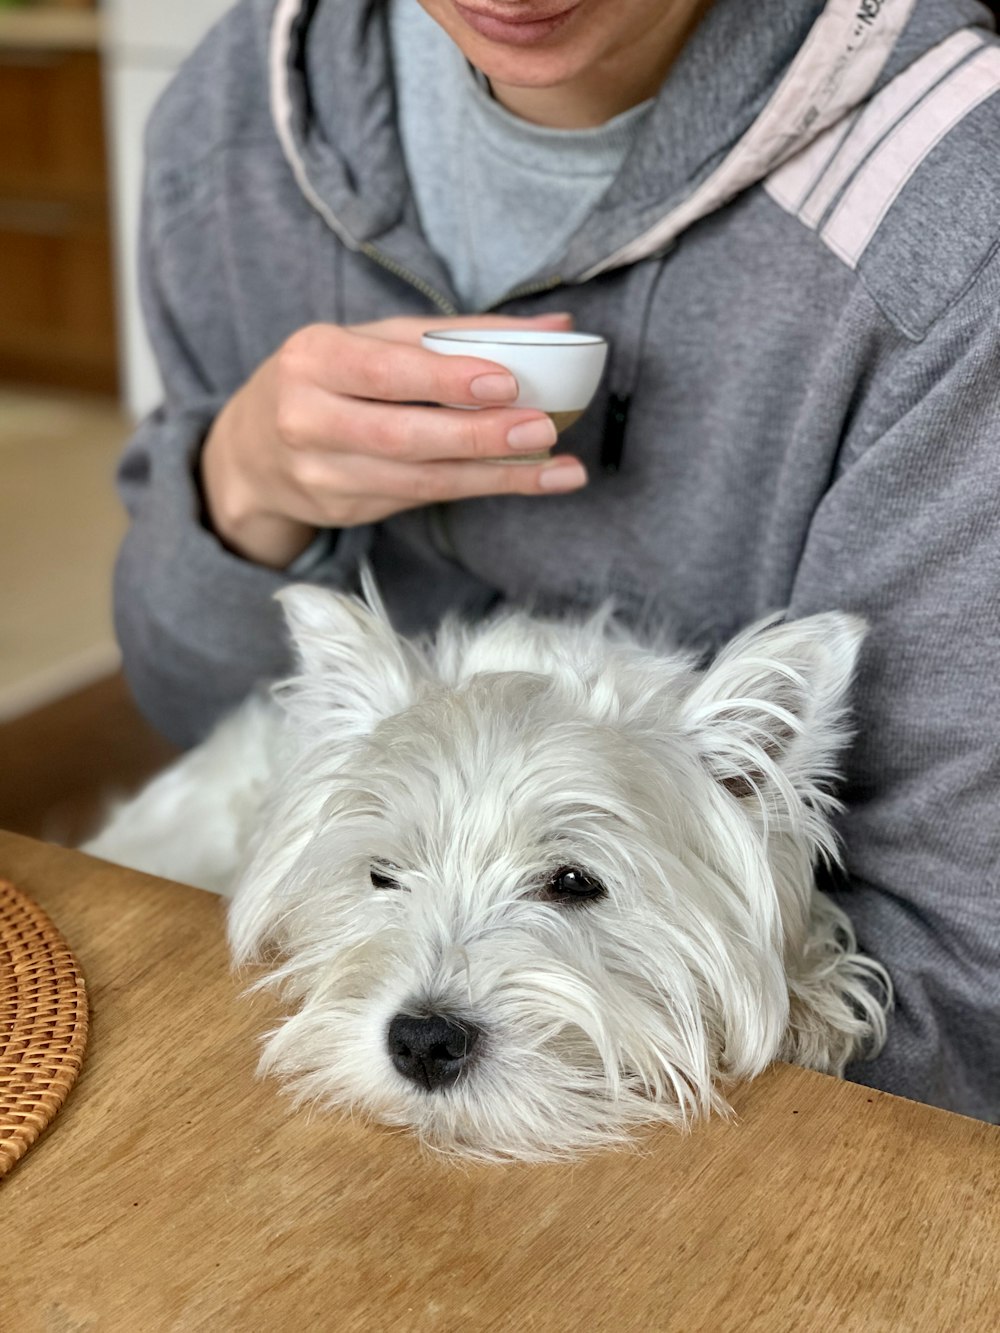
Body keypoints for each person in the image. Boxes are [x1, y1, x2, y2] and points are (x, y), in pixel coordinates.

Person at [115, 0, 1000, 1122]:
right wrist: (240, 485)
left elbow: (959, 1023)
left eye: (570, 882)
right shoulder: (243, 101)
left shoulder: (959, 221)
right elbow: (184, 702)